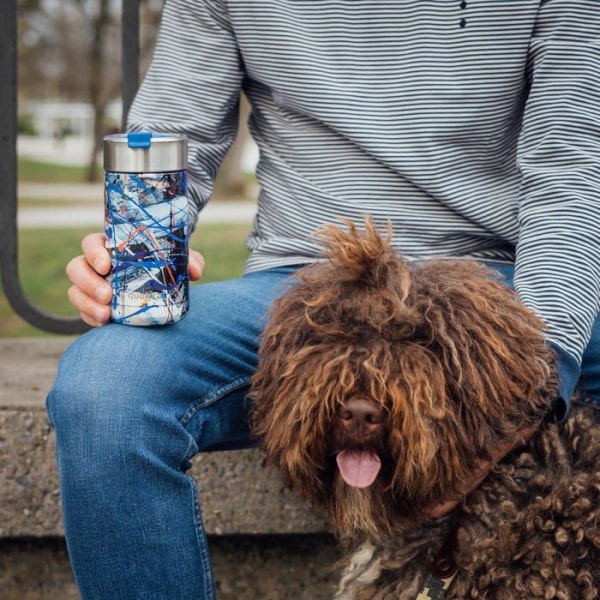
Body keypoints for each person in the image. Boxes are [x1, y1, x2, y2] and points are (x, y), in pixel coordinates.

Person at [47, 2, 600, 598]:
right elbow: (170, 137)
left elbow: (568, 172)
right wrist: (130, 252)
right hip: (304, 284)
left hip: (500, 283)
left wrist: (531, 384)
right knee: (105, 385)